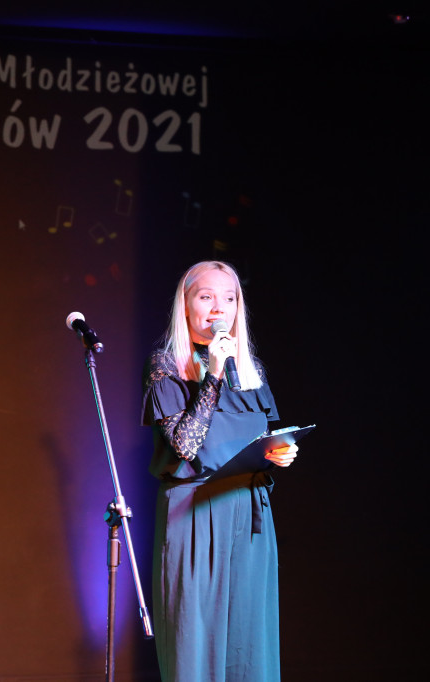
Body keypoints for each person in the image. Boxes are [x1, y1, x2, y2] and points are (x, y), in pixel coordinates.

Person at [142, 260, 298, 682]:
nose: (218, 309)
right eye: (206, 297)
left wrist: (279, 452)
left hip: (248, 516)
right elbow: (186, 445)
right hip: (194, 513)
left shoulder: (249, 368)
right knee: (195, 645)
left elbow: (261, 437)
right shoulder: (166, 364)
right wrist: (212, 373)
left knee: (249, 645)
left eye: (229, 299)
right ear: (186, 304)